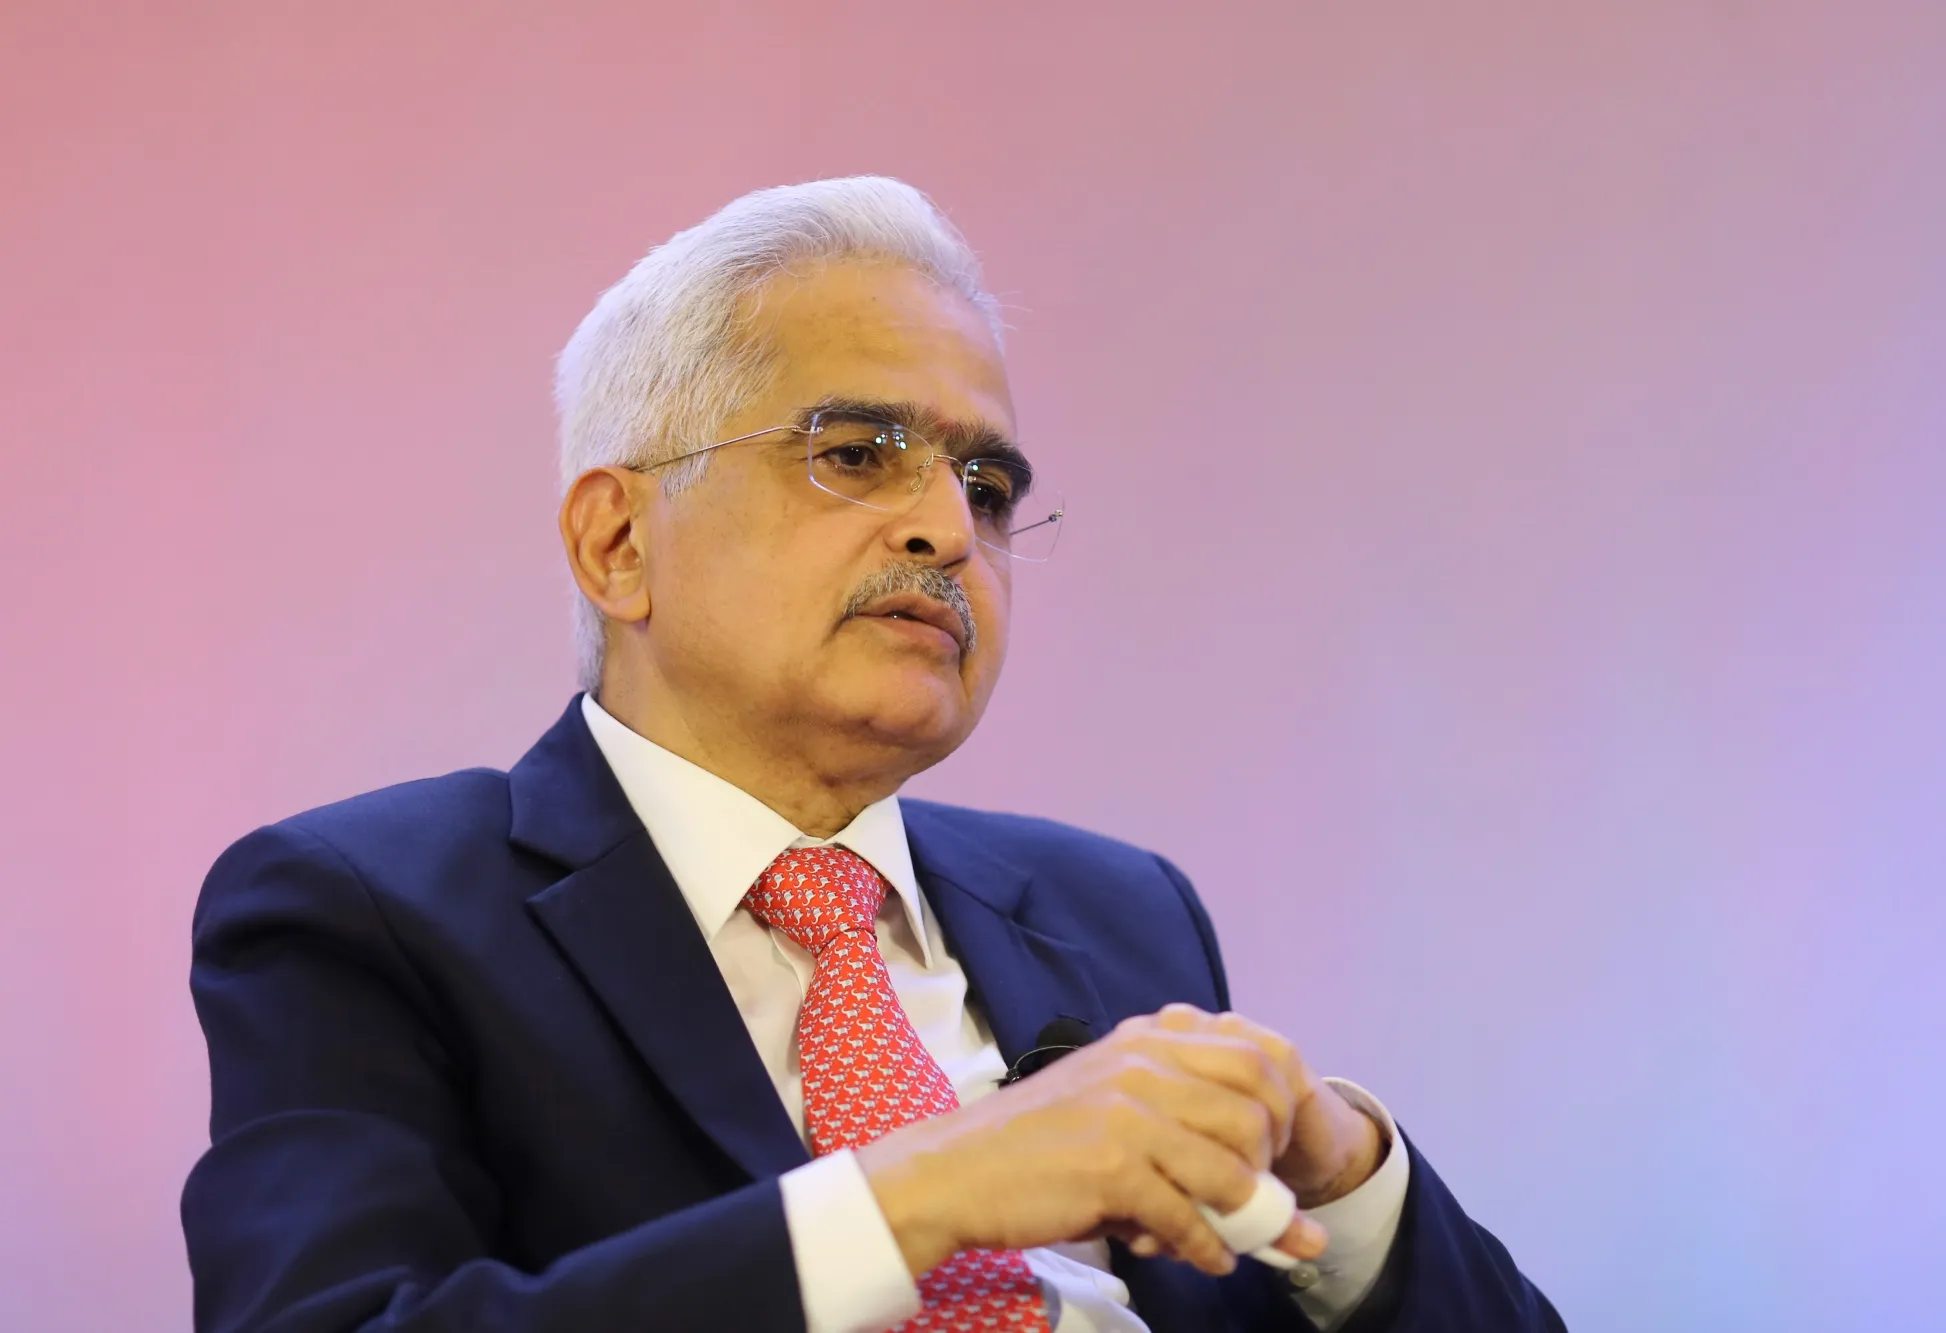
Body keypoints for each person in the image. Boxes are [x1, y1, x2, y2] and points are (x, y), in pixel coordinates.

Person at [182, 176, 1564, 1333]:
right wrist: (926, 1194)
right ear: (618, 542)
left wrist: (1342, 1177)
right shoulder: (370, 912)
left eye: (989, 486)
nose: (948, 531)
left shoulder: (1119, 913)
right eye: (855, 453)